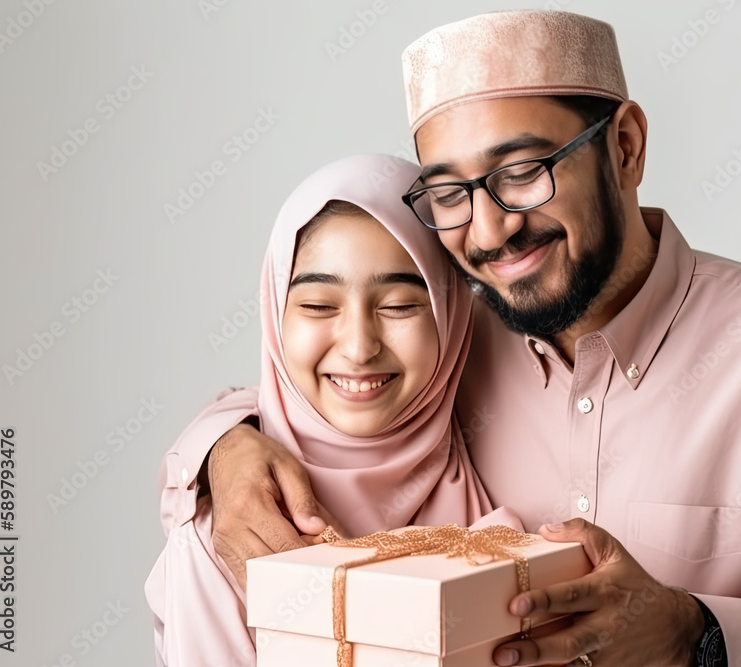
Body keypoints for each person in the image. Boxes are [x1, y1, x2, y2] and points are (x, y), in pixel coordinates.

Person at [157, 10, 741, 667]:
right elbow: (327, 392)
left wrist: (700, 635)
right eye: (451, 190)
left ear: (625, 146)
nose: (490, 227)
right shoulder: (444, 341)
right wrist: (225, 450)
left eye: (522, 171)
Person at [145, 154, 503, 666]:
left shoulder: (495, 456)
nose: (359, 348)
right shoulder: (229, 539)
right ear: (275, 314)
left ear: (453, 315)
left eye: (399, 305)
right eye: (318, 305)